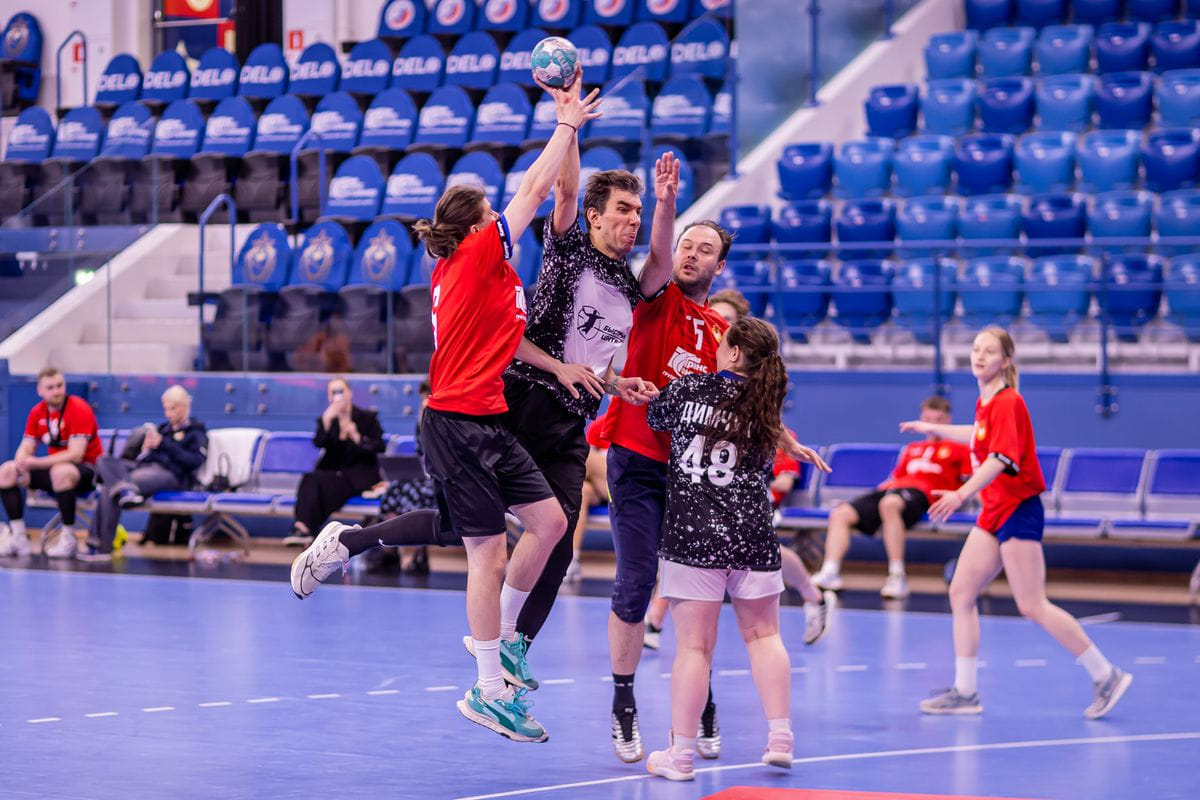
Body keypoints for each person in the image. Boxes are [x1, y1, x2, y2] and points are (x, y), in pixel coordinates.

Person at [290, 73, 603, 744]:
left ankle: (497, 639)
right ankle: (489, 691)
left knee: (550, 522)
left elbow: (506, 339)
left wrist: (556, 365)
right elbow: (534, 190)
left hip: (488, 418)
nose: (499, 214)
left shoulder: (490, 275)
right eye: (490, 209)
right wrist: (567, 123)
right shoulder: (472, 256)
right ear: (475, 226)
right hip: (455, 422)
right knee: (485, 553)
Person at [600, 212, 829, 763]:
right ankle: (624, 702)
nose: (690, 254)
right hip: (637, 463)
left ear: (720, 265)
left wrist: (787, 440)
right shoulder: (655, 298)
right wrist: (664, 203)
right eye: (686, 244)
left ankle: (699, 710)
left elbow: (746, 399)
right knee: (636, 583)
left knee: (696, 616)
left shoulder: (720, 336)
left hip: (691, 481)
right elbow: (657, 256)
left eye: (704, 249)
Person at [494, 145, 682, 648]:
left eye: (638, 211)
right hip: (524, 403)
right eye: (624, 209)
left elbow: (661, 263)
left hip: (572, 421)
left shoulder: (627, 283)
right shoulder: (569, 249)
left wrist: (619, 384)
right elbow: (566, 191)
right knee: (466, 527)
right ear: (594, 216)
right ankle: (352, 539)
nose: (634, 219)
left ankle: (514, 647)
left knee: (559, 544)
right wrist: (570, 125)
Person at [903, 327, 1132, 719]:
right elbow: (979, 438)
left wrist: (960, 494)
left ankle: (1105, 674)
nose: (979, 356)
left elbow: (1000, 458)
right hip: (994, 510)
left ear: (1006, 360)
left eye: (989, 351)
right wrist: (934, 429)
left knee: (1032, 604)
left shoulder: (1009, 401)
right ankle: (965, 691)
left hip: (1018, 509)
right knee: (961, 592)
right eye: (976, 349)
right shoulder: (987, 401)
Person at [643, 317, 799, 781]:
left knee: (694, 648)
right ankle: (780, 737)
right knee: (765, 637)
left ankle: (681, 756)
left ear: (733, 353)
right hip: (752, 534)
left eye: (721, 342)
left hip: (693, 537)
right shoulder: (766, 406)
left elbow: (654, 417)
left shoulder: (690, 389)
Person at [812, 395, 972, 598]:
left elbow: (969, 483)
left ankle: (897, 576)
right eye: (928, 419)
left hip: (924, 496)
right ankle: (830, 572)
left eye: (938, 420)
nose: (932, 425)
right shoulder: (912, 449)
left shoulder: (960, 449)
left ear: (948, 420)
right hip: (896, 491)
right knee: (841, 513)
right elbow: (894, 479)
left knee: (889, 504)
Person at [80, 385, 208, 562]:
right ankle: (125, 490)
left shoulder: (196, 431)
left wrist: (163, 444)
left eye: (173, 408)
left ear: (184, 406)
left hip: (171, 475)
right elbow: (145, 459)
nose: (168, 413)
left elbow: (192, 462)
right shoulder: (163, 429)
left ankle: (99, 546)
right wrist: (146, 450)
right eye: (166, 408)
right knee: (105, 460)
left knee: (112, 486)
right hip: (146, 468)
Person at [0, 367, 102, 559]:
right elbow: (26, 447)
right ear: (40, 390)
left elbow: (76, 454)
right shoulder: (37, 412)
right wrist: (21, 461)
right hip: (54, 470)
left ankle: (68, 538)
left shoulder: (79, 408)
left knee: (60, 472)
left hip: (88, 472)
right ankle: (18, 536)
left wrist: (35, 463)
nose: (56, 391)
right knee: (6, 471)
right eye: (50, 387)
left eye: (60, 385)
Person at [282, 378, 386, 547]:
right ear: (329, 397)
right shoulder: (328, 420)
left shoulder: (367, 418)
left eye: (341, 390)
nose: (338, 396)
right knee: (310, 478)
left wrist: (356, 436)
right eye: (333, 392)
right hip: (333, 474)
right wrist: (326, 422)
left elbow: (379, 447)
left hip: (359, 476)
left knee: (324, 486)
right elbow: (319, 443)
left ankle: (306, 530)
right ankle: (303, 527)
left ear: (349, 393)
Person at [378, 378, 437, 574]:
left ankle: (418, 553)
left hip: (442, 479)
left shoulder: (447, 422)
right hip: (423, 475)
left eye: (427, 397)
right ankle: (390, 550)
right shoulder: (420, 424)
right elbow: (421, 454)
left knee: (415, 493)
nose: (423, 402)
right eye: (422, 398)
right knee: (393, 491)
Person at [563, 412, 610, 584]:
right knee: (582, 491)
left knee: (583, 452)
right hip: (600, 489)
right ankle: (571, 559)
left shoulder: (639, 424)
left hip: (624, 487)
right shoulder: (599, 426)